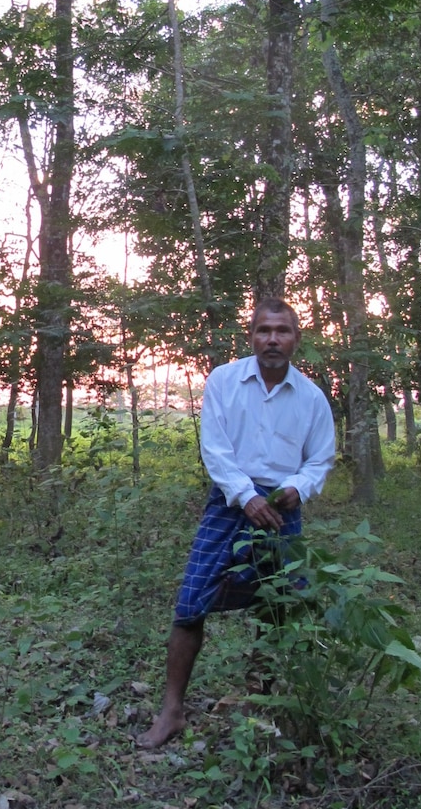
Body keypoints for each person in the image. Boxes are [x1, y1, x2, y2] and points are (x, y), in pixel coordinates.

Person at [137, 298, 335, 749]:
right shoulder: (225, 380)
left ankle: (261, 705)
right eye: (264, 330)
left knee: (279, 609)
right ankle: (172, 711)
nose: (272, 339)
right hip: (229, 502)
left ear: (295, 339)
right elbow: (215, 448)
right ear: (251, 336)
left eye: (282, 331)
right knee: (190, 605)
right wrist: (245, 496)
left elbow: (320, 458)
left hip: (282, 509)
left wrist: (297, 489)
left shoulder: (311, 398)